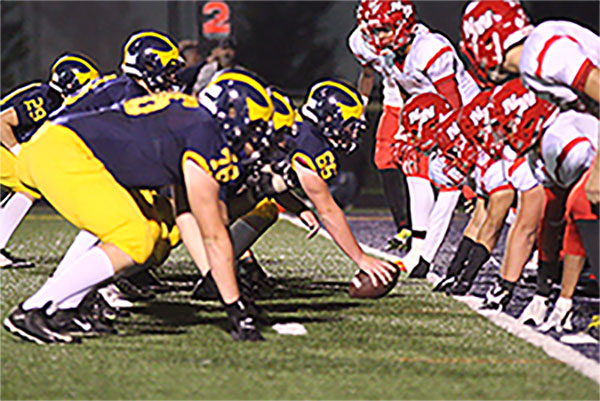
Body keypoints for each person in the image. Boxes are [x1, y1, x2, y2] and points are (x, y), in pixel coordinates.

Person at [4, 68, 272, 345]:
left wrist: (213, 278)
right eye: (254, 127)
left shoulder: (191, 119)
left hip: (60, 145)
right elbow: (214, 233)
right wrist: (235, 307)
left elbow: (186, 216)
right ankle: (34, 309)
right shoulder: (203, 133)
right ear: (232, 112)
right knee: (133, 237)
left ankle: (64, 308)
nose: (253, 139)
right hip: (65, 151)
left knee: (155, 230)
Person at [460, 0, 599, 337]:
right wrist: (544, 294)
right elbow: (546, 221)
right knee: (572, 206)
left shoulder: (542, 53)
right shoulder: (532, 68)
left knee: (584, 201)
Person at [360, 0, 480, 276]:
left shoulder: (429, 48)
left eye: (383, 30)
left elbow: (453, 99)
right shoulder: (390, 55)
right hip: (436, 120)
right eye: (373, 32)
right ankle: (420, 251)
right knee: (415, 166)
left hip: (468, 119)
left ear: (402, 24)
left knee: (494, 192)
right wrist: (408, 129)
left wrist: (456, 141)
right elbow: (408, 94)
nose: (377, 39)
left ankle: (536, 250)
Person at [0, 53, 100, 269]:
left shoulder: (56, 102)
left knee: (28, 185)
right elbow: (1, 123)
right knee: (29, 186)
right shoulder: (45, 100)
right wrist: (19, 153)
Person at [350, 0, 410, 252]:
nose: (376, 36)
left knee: (423, 165)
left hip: (421, 101)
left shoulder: (417, 38)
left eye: (382, 29)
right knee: (384, 159)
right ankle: (404, 226)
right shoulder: (358, 41)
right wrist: (359, 109)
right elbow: (367, 74)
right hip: (394, 103)